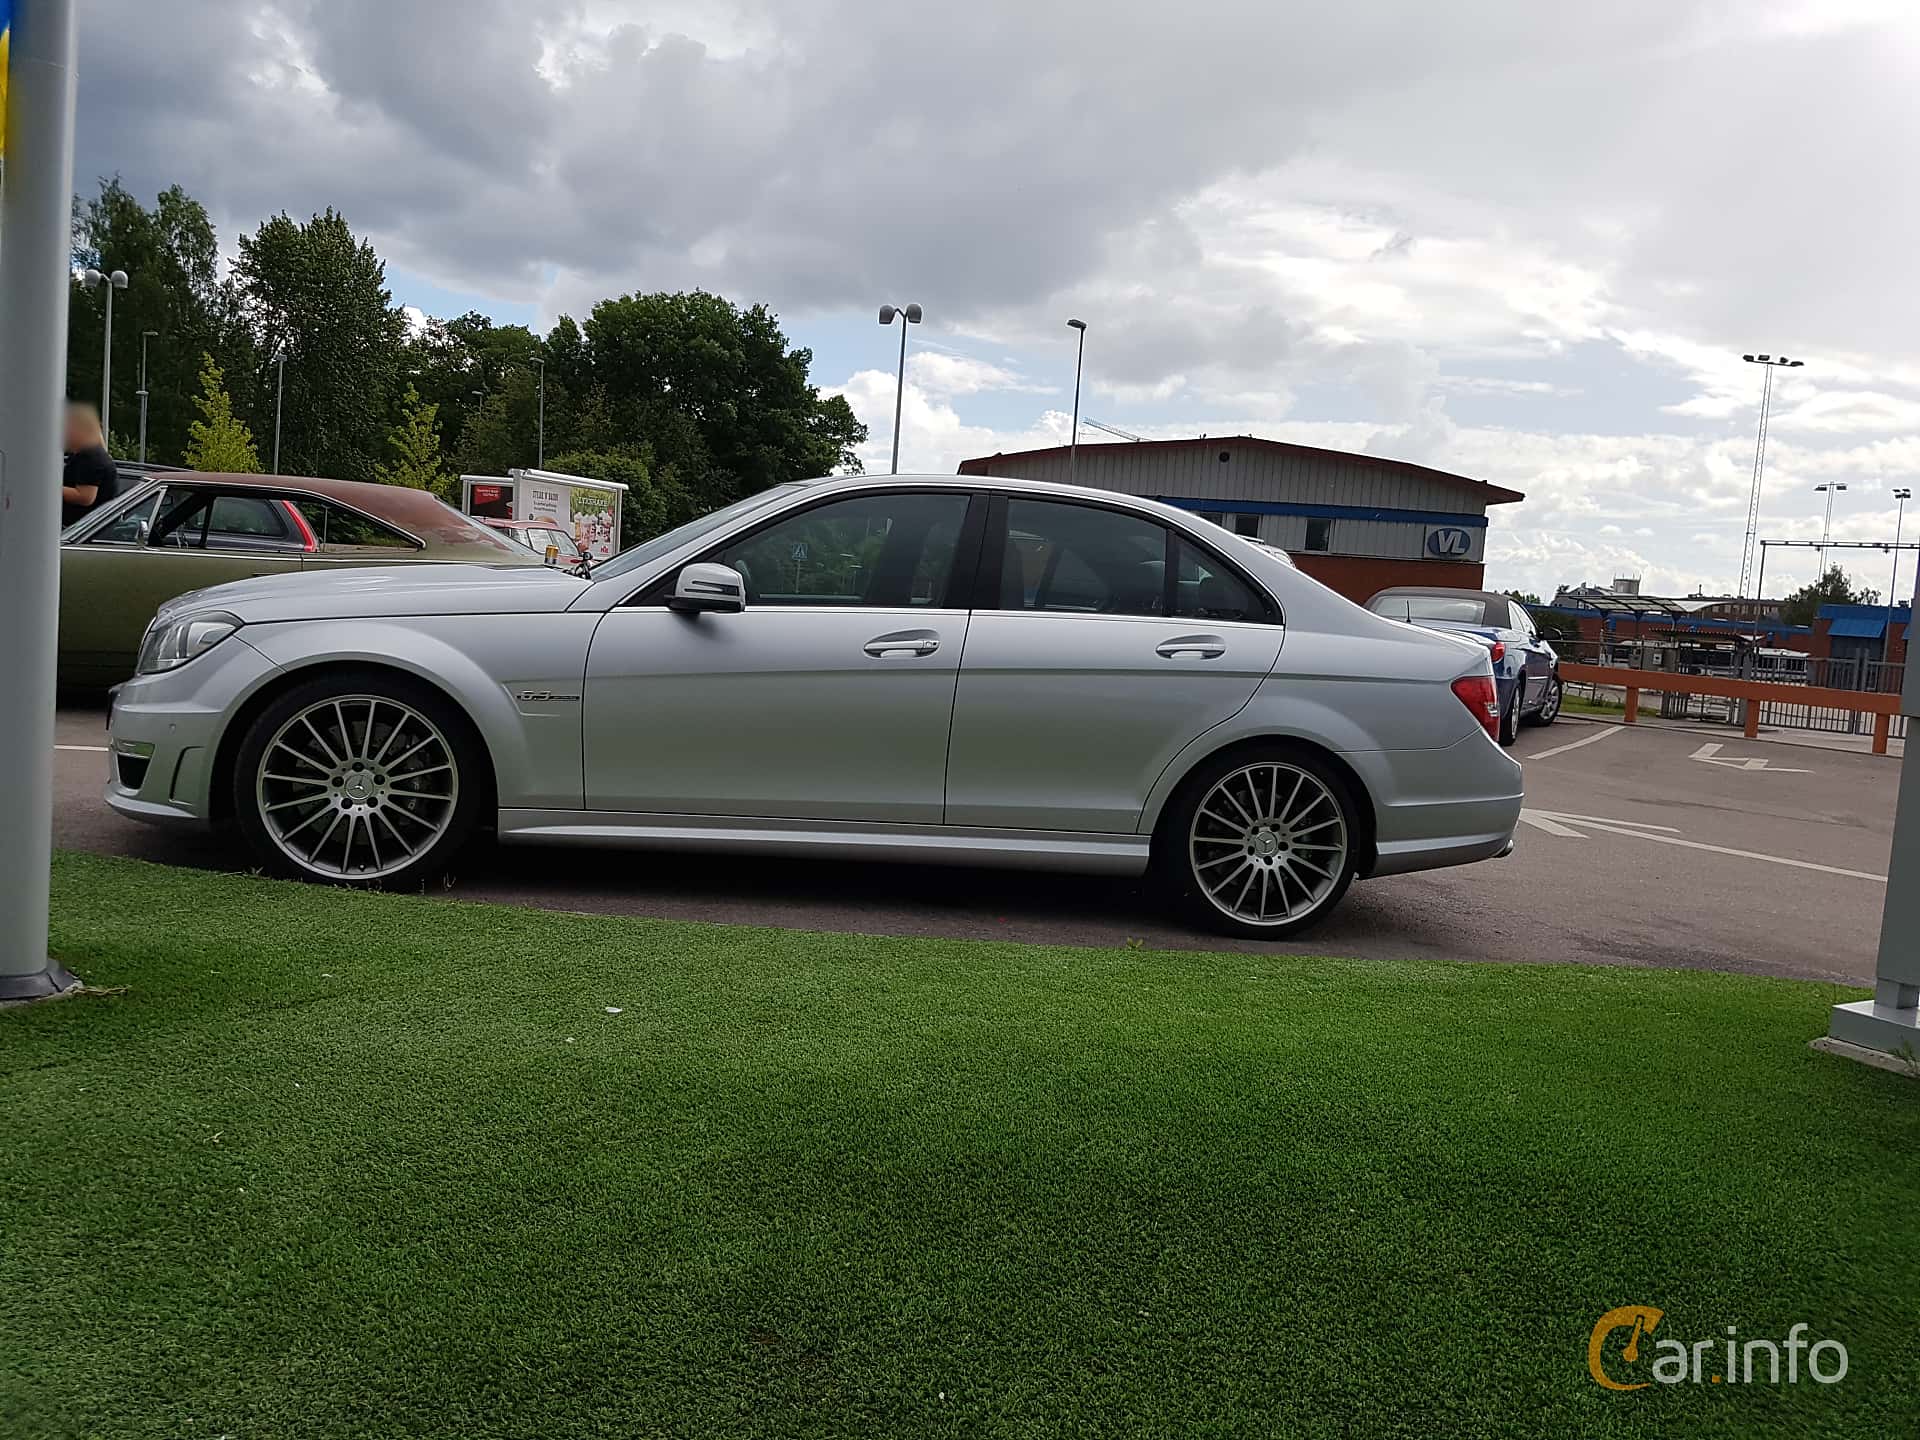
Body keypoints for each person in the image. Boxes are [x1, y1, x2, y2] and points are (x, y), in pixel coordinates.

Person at [60, 402, 120, 530]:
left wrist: (49, 488)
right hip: (84, 528)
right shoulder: (88, 454)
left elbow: (85, 497)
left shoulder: (90, 457)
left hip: (82, 530)